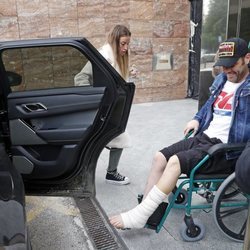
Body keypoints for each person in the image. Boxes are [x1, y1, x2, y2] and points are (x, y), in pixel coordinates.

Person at [109, 37, 250, 229]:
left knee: (175, 162)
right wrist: (197, 119)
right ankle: (147, 212)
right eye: (223, 65)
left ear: (247, 58)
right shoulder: (222, 80)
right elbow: (209, 106)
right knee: (160, 157)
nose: (227, 70)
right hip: (204, 138)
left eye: (231, 65)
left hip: (224, 151)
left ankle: (140, 215)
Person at [74, 25, 138, 185]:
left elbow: (114, 80)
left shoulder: (116, 58)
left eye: (127, 44)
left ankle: (99, 174)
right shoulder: (103, 56)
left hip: (111, 111)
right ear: (114, 41)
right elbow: (80, 78)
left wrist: (129, 72)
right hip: (100, 111)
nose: (126, 48)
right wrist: (95, 100)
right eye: (123, 44)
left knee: (112, 138)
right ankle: (103, 173)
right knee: (99, 142)